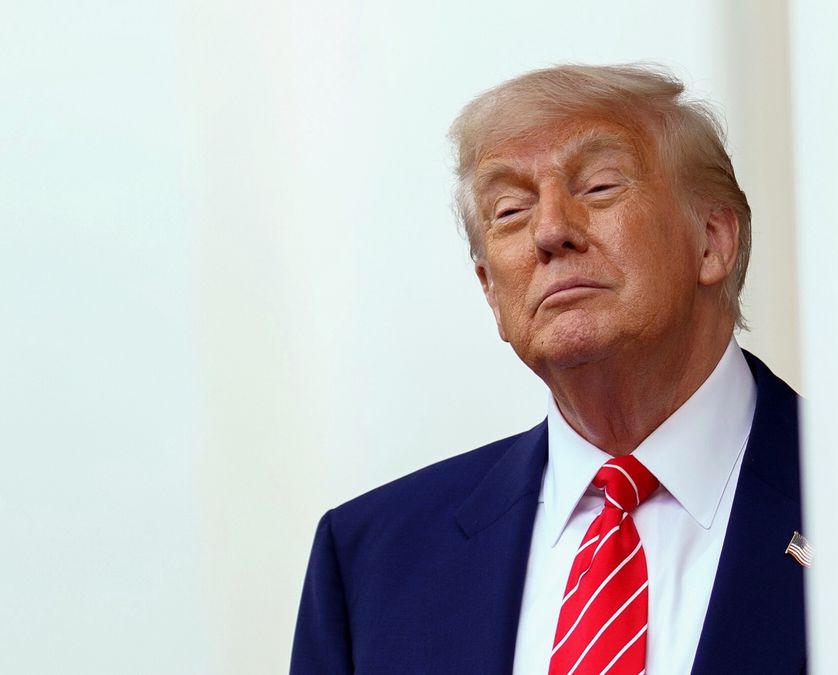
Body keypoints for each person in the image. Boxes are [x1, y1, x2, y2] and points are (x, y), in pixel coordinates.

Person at [290, 63, 806, 674]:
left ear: (713, 240)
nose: (551, 230)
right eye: (509, 210)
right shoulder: (373, 562)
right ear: (489, 288)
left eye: (599, 186)